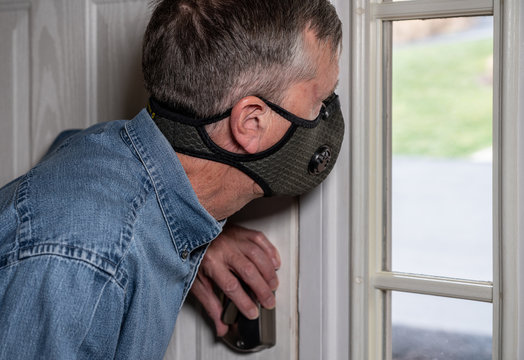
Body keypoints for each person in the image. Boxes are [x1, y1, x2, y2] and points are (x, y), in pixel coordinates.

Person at [0, 0, 343, 358]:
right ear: (252, 123)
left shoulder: (111, 150)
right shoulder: (88, 262)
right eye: (321, 101)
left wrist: (197, 231)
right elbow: (66, 242)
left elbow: (68, 159)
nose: (327, 116)